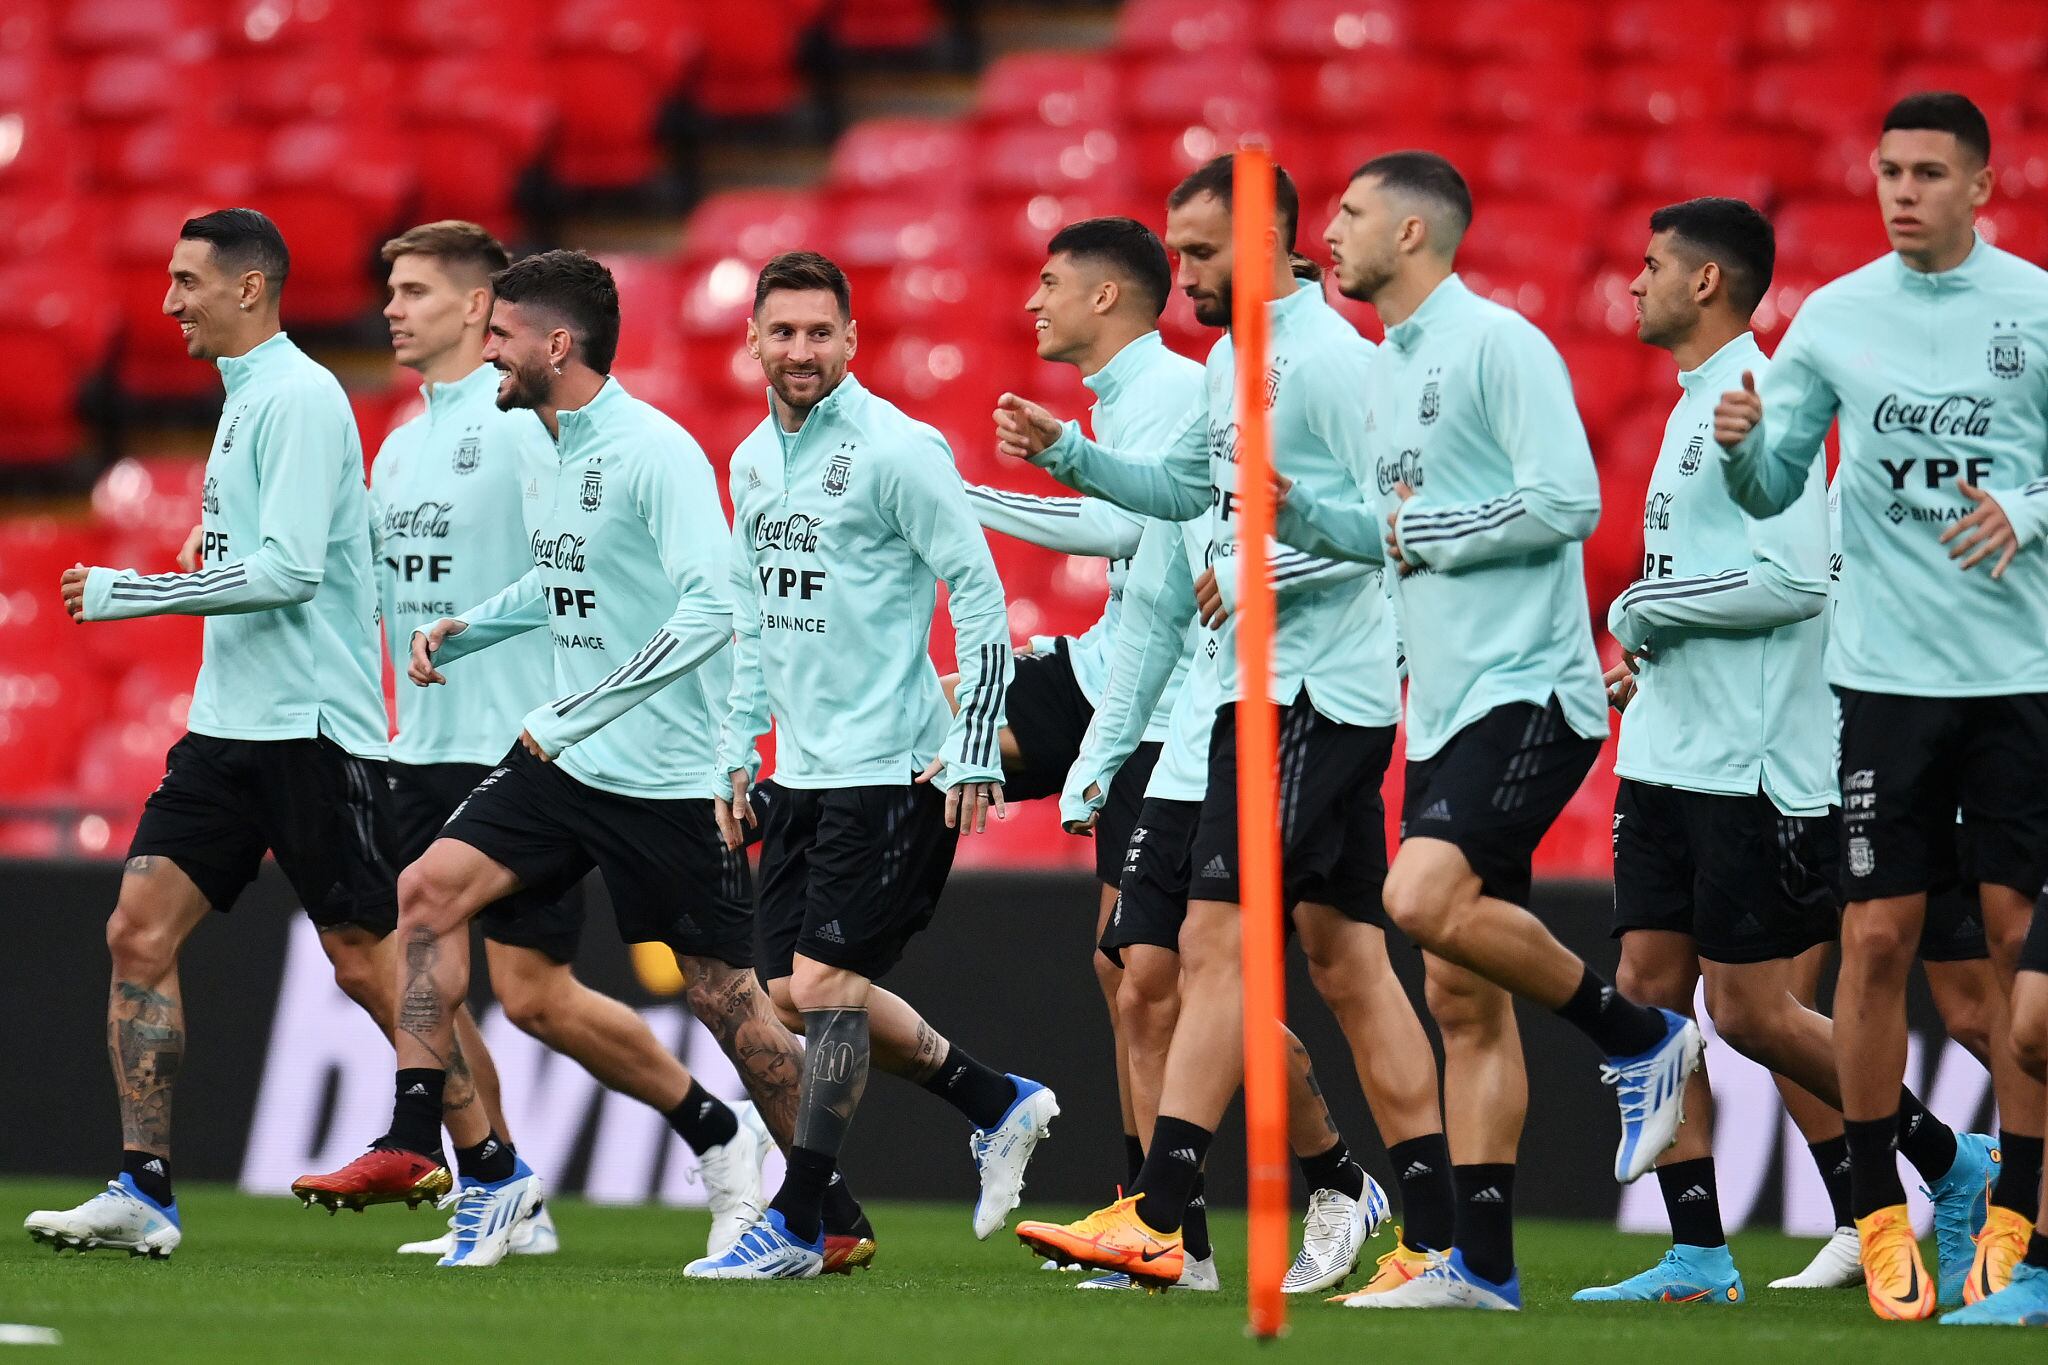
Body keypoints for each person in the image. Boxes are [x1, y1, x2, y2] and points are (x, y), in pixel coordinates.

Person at [1224, 151, 1707, 1310]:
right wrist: (1304, 518)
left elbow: (1564, 502)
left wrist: (1416, 529)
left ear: (1411, 233)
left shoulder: (1496, 343)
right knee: (1457, 994)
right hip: (1438, 706)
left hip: (1527, 690)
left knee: (1416, 898)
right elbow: (1389, 534)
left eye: (1344, 213)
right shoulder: (1385, 371)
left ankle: (1634, 1036)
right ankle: (1481, 1267)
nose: (1323, 232)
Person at [291, 249, 812, 1269]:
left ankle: (816, 1192)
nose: (490, 347)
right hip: (559, 761)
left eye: (501, 332)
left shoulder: (645, 448)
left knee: (713, 994)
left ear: (552, 342)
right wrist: (470, 629)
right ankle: (430, 1142)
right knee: (425, 897)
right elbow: (559, 580)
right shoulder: (541, 442)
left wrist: (579, 713)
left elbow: (713, 608)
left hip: (650, 768)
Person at [1002, 156, 1449, 1294]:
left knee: (1205, 950)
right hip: (1248, 697)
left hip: (1312, 696)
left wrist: (1268, 574)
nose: (1180, 273)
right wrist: (1069, 455)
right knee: (1346, 968)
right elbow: (1190, 500)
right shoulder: (1234, 366)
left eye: (1197, 253)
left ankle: (1163, 1216)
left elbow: (1390, 530)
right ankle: (1429, 1230)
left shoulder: (1338, 370)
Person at [27, 208, 503, 1259]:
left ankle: (497, 1173)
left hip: (313, 732)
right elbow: (283, 546)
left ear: (248, 289)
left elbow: (290, 573)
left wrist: (133, 593)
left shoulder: (296, 396)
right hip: (227, 727)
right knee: (135, 931)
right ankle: (143, 1186)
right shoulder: (247, 402)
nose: (168, 300)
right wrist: (214, 543)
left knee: (368, 963)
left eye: (186, 280)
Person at [1579, 197, 1990, 1307]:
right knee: (1647, 996)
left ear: (1704, 283)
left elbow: (1790, 581)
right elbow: (1707, 584)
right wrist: (1650, 650)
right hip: (1667, 748)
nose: (1633, 282)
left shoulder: (1755, 406)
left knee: (1750, 1010)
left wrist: (1650, 606)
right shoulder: (1685, 407)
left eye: (1651, 264)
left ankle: (1951, 1165)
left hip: (1746, 765)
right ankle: (1698, 1252)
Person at [1712, 92, 2048, 1323]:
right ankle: (1875, 1212)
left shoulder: (2035, 308)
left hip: (2018, 682)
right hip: (1885, 685)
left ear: (1979, 186)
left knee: (2014, 952)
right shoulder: (1835, 317)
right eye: (1886, 172)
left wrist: (2031, 508)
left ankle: (2019, 1209)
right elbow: (1767, 487)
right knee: (1869, 943)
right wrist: (1748, 444)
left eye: (1925, 173)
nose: (1901, 192)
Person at [684, 251, 1056, 1280]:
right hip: (798, 771)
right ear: (753, 341)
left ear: (849, 341)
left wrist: (973, 740)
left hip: (891, 765)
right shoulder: (751, 461)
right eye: (782, 332)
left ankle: (797, 1224)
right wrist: (735, 754)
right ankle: (994, 1100)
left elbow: (977, 599)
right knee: (790, 994)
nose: (799, 351)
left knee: (825, 985)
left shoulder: (898, 449)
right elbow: (750, 620)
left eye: (818, 333)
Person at [952, 217, 1173, 1207]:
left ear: (1102, 296)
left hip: (1160, 706)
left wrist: (959, 497)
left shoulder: (1167, 391)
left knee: (1145, 975)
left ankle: (1196, 1208)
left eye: (1047, 282)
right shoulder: (1125, 398)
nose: (1028, 302)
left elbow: (1123, 531)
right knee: (933, 726)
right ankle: (836, 971)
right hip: (1099, 671)